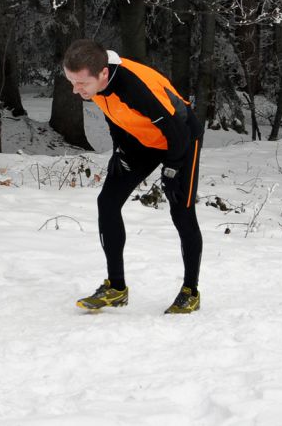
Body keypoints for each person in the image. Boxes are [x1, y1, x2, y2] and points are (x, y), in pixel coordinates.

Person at [62, 39, 203, 314]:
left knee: (182, 212)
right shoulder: (96, 83)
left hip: (181, 140)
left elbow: (178, 130)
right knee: (108, 202)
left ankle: (190, 291)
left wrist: (172, 168)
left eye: (81, 84)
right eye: (71, 81)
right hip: (141, 140)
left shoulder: (135, 87)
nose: (75, 89)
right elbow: (115, 117)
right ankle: (116, 288)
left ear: (103, 74)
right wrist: (121, 150)